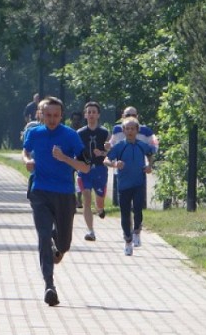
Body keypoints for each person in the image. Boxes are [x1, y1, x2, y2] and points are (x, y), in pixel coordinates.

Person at [22, 96, 90, 307]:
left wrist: (65, 159)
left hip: (64, 193)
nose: (52, 120)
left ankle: (57, 243)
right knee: (43, 237)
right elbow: (25, 150)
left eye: (56, 116)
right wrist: (28, 161)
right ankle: (49, 286)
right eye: (48, 115)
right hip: (40, 191)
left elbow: (85, 167)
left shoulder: (71, 136)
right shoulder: (34, 133)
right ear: (41, 115)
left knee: (63, 244)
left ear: (62, 116)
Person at [104, 117, 155, 256]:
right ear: (123, 130)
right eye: (127, 128)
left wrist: (149, 166)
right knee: (125, 214)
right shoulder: (120, 146)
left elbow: (150, 153)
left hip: (138, 184)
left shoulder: (141, 145)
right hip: (123, 186)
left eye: (133, 128)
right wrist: (115, 164)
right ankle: (128, 240)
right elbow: (106, 159)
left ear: (137, 130)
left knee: (138, 210)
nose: (130, 131)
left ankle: (137, 230)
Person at [76, 102, 110, 241]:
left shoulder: (105, 132)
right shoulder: (79, 133)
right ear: (85, 115)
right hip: (85, 170)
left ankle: (101, 209)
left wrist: (103, 152)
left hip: (100, 170)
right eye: (88, 112)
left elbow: (109, 152)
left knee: (100, 201)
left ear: (98, 115)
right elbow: (76, 151)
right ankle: (90, 231)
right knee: (87, 199)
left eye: (93, 112)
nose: (91, 115)